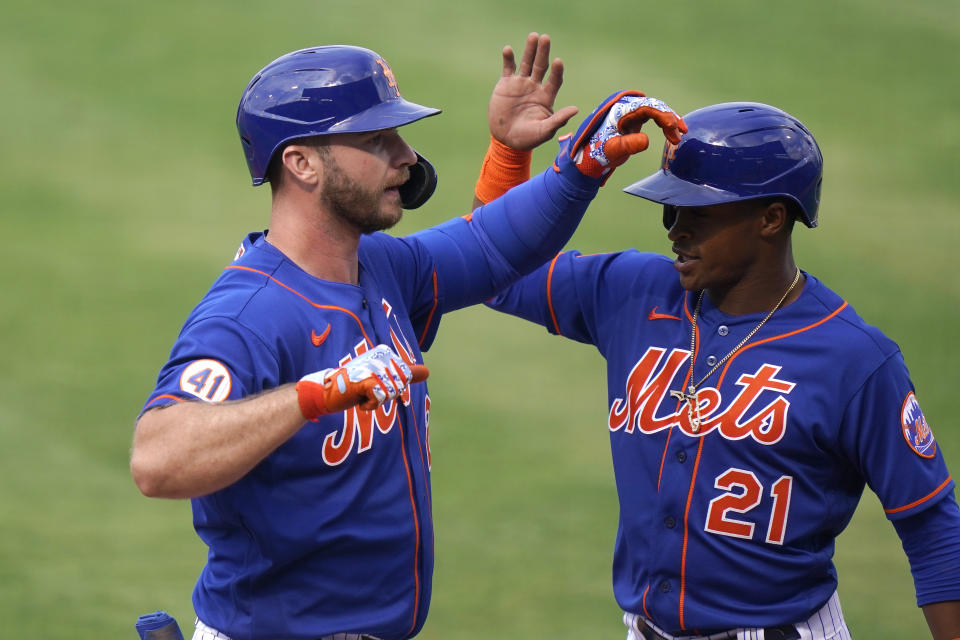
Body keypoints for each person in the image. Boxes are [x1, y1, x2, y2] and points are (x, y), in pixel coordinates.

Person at [130, 34, 686, 640]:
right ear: (301, 163)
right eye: (376, 141)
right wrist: (313, 396)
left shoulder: (384, 269)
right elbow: (157, 459)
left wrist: (583, 165)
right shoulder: (248, 316)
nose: (406, 156)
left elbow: (492, 244)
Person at [475, 95, 960, 637]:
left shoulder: (853, 359)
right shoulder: (633, 292)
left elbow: (931, 527)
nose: (675, 229)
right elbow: (496, 272)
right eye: (668, 209)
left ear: (771, 219)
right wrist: (508, 157)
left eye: (697, 214)